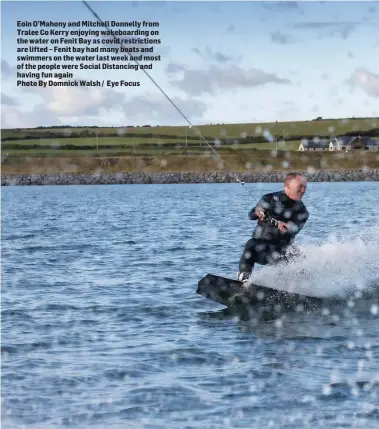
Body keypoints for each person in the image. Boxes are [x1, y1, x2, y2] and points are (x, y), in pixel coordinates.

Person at [237, 173, 309, 283]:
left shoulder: (302, 211)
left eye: (305, 187)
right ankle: (244, 279)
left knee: (300, 258)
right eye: (300, 186)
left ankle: (304, 289)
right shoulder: (269, 199)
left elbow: (294, 230)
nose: (303, 190)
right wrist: (257, 212)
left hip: (282, 253)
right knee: (250, 244)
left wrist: (287, 228)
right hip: (262, 250)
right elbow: (250, 215)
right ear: (288, 185)